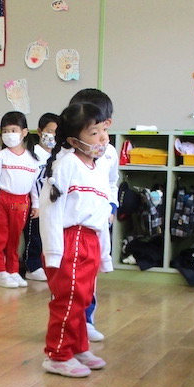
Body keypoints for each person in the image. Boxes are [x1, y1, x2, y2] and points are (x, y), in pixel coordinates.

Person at [39, 103, 114, 378]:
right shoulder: (67, 164)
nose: (102, 138)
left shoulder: (99, 166)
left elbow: (102, 210)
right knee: (68, 298)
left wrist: (104, 254)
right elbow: (50, 210)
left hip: (90, 239)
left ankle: (78, 346)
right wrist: (54, 252)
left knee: (83, 298)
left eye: (103, 130)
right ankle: (57, 354)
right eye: (94, 133)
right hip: (69, 239)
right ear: (73, 140)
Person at [69, 89, 119, 343]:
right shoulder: (68, 157)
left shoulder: (109, 152)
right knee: (72, 279)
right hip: (74, 225)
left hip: (98, 221)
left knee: (90, 276)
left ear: (106, 123)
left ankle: (87, 319)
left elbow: (112, 182)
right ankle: (72, 320)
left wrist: (111, 206)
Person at [0, 111, 39, 288]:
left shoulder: (32, 159)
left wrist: (36, 204)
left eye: (13, 130)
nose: (9, 135)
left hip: (22, 202)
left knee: (15, 239)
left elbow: (34, 185)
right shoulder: (1, 156)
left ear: (24, 132)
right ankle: (0, 271)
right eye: (5, 131)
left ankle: (13, 270)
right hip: (3, 200)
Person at [22, 112, 59, 282]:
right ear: (39, 132)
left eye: (56, 133)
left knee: (48, 234)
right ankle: (32, 266)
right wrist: (35, 203)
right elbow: (31, 181)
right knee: (33, 235)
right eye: (49, 131)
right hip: (34, 202)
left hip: (51, 202)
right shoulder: (33, 154)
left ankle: (46, 265)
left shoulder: (59, 155)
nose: (52, 136)